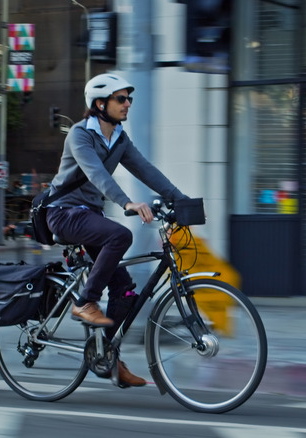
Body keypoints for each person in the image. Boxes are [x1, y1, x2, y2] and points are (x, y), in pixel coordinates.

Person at [45, 73, 190, 388]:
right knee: (120, 235)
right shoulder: (80, 136)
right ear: (100, 104)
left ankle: (106, 356)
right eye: (120, 99)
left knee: (125, 293)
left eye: (129, 99)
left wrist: (180, 198)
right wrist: (127, 203)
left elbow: (145, 169)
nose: (127, 104)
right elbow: (97, 175)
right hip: (63, 214)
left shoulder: (119, 138)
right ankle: (86, 302)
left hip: (89, 217)